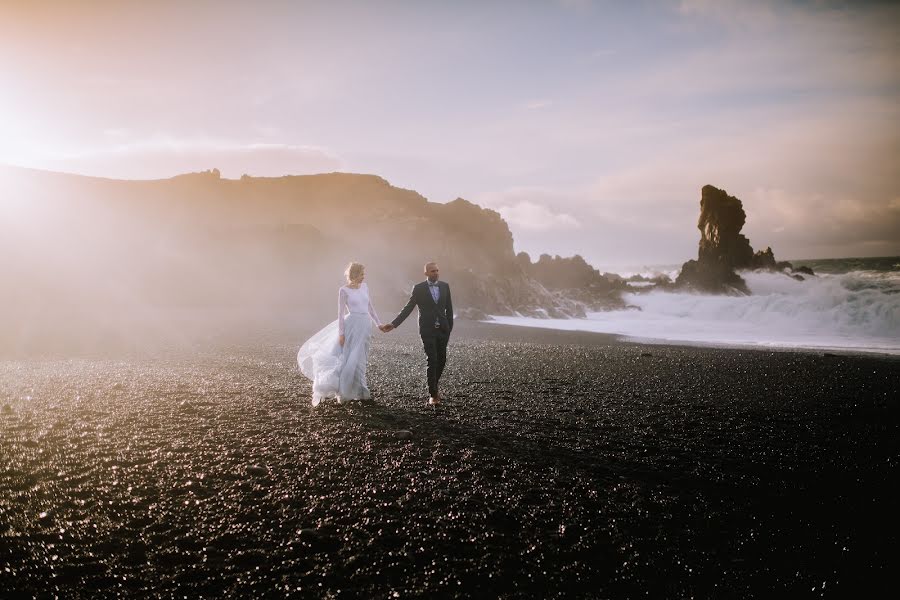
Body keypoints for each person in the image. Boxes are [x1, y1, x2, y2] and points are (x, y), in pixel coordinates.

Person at [297, 262, 383, 406]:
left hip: (365, 326)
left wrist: (378, 324)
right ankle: (345, 393)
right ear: (354, 275)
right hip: (351, 326)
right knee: (349, 359)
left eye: (364, 274)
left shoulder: (365, 287)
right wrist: (341, 334)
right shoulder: (344, 291)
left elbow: (370, 307)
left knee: (361, 359)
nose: (364, 277)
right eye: (361, 274)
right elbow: (341, 313)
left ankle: (361, 391)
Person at [381, 262, 453, 405]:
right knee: (432, 360)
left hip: (443, 330)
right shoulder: (419, 289)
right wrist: (394, 324)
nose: (436, 273)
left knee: (442, 360)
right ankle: (433, 395)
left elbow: (449, 310)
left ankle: (434, 386)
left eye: (437, 270)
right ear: (426, 273)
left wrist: (449, 328)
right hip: (427, 330)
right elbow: (408, 308)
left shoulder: (445, 286)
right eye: (433, 271)